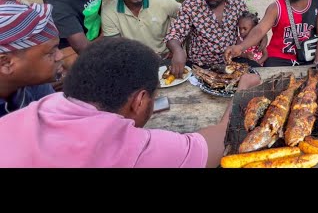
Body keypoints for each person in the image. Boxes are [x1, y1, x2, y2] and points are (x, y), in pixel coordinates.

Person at [0, 38, 232, 168]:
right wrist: (243, 92)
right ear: (140, 101)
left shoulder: (25, 114)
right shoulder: (130, 146)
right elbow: (214, 143)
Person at [165, 0, 261, 88]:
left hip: (231, 62)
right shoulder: (191, 5)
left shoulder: (237, 3)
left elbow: (250, 24)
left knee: (258, 79)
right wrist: (177, 50)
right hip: (201, 66)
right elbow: (175, 34)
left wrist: (261, 37)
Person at [102, 0, 181, 60]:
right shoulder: (109, 12)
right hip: (134, 61)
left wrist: (178, 49)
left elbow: (189, 17)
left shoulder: (162, 2)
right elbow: (116, 48)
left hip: (166, 58)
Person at [0, 1, 63, 118]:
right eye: (51, 52)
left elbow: (58, 116)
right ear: (6, 63)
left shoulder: (31, 82)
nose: (60, 56)